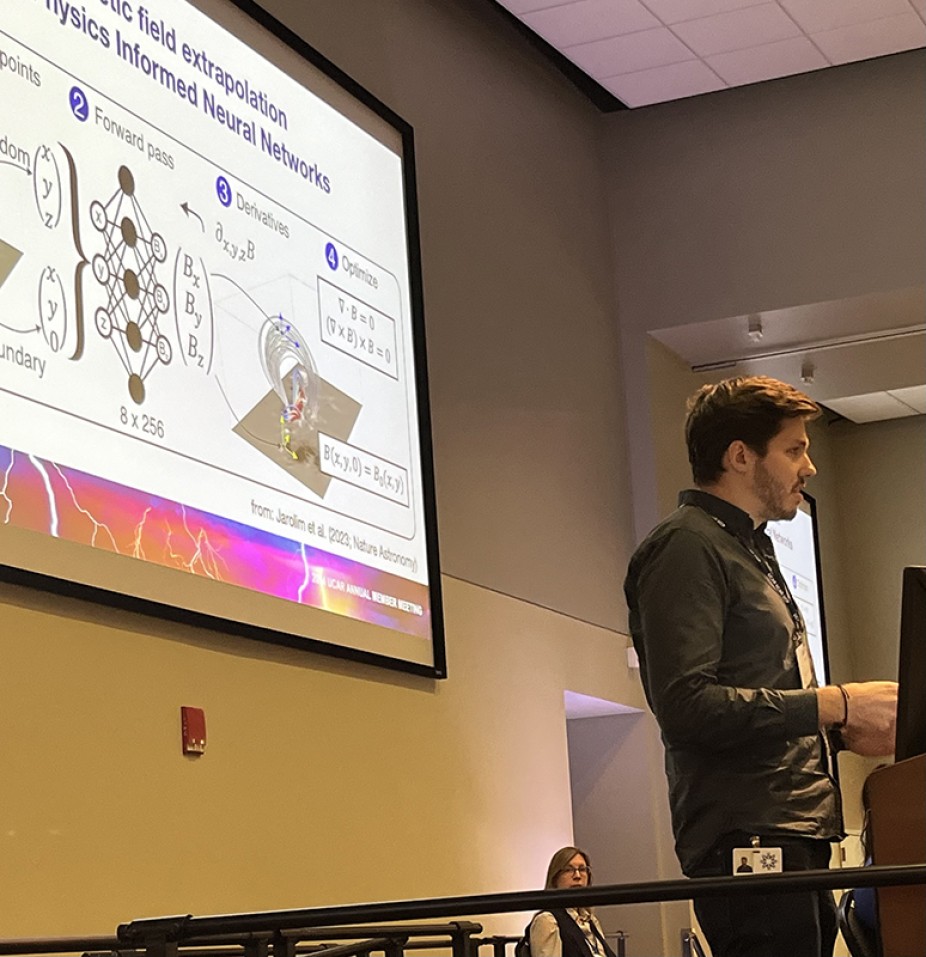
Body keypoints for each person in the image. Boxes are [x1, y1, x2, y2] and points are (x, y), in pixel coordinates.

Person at [623, 376, 898, 957]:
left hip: (792, 828)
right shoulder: (686, 547)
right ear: (740, 456)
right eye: (795, 449)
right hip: (748, 834)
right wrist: (834, 702)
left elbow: (757, 701)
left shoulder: (749, 546)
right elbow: (687, 706)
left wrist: (842, 730)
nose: (811, 466)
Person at [528, 846, 616, 957]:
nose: (577, 876)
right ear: (555, 878)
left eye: (582, 869)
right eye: (569, 870)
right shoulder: (547, 921)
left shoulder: (591, 921)